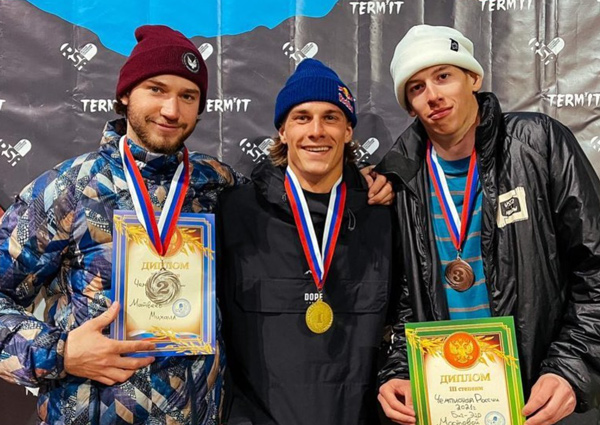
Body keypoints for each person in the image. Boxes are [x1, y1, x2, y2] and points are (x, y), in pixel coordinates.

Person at [0, 25, 245, 425]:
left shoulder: (217, 184)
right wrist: (60, 352)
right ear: (126, 94)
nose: (172, 110)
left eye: (188, 96)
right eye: (156, 89)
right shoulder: (69, 188)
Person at [375, 24, 600, 425]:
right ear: (409, 106)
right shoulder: (401, 179)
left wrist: (570, 366)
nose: (433, 95)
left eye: (443, 76)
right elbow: (405, 297)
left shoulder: (538, 143)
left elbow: (595, 266)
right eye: (417, 88)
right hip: (448, 401)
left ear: (473, 78)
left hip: (539, 394)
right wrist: (400, 370)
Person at [218, 59, 395, 424]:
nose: (316, 131)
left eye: (331, 117)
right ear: (282, 131)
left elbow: (408, 317)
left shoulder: (384, 215)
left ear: (348, 131)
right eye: (302, 117)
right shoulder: (234, 213)